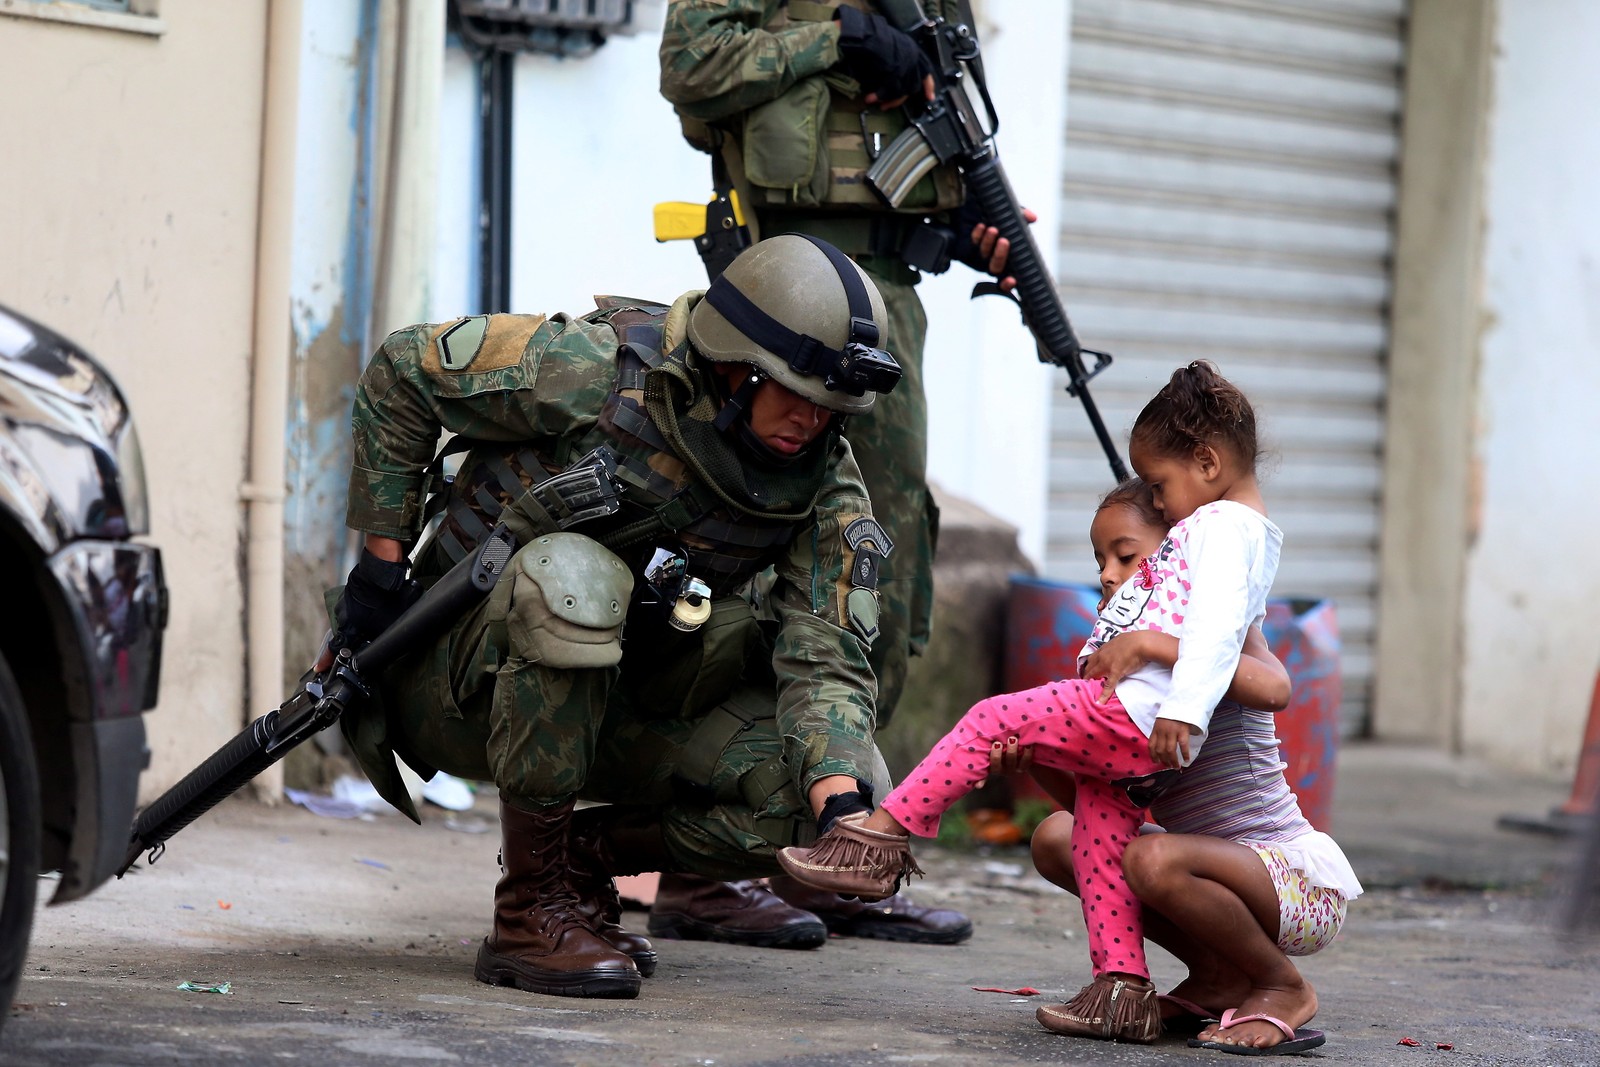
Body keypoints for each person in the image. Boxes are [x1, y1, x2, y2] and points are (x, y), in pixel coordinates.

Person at [324, 235, 911, 1000]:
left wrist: (844, 813)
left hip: (625, 711)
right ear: (733, 361)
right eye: (792, 390)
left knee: (850, 782)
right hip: (461, 686)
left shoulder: (823, 480)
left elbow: (826, 652)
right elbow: (406, 366)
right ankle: (529, 911)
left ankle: (575, 861)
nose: (810, 418)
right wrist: (377, 573)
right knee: (575, 574)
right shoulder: (593, 372)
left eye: (829, 403)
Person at [656, 0, 1028, 950]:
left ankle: (835, 846)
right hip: (782, 294)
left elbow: (907, 143)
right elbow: (690, 64)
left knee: (880, 569)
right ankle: (706, 870)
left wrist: (968, 222)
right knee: (755, 554)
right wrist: (841, 38)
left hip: (886, 304)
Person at [774, 361, 1286, 1043]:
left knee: (990, 717)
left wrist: (1182, 711)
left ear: (1208, 461)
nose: (1160, 503)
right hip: (1139, 724)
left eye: (1160, 486)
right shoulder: (1229, 530)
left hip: (1142, 716)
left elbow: (1220, 633)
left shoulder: (1222, 527)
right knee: (1098, 836)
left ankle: (878, 841)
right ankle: (1122, 989)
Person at [998, 478, 1362, 1053]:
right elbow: (1100, 815)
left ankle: (1281, 984)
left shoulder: (1225, 633)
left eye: (1127, 555)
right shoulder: (1116, 658)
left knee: (1153, 857)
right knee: (1057, 838)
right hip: (1200, 873)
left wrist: (1154, 644)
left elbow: (1276, 686)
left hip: (1292, 884)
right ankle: (1217, 978)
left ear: (1177, 559)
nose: (1108, 575)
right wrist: (1035, 760)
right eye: (1100, 561)